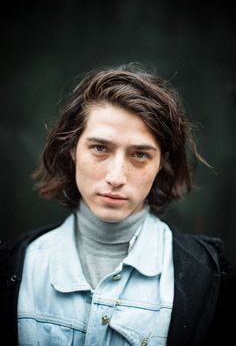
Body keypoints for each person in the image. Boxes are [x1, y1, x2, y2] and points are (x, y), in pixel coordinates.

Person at [0, 63, 235, 346]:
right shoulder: (14, 265)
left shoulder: (207, 278)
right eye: (100, 148)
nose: (116, 177)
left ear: (162, 162)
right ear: (73, 148)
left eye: (140, 154)